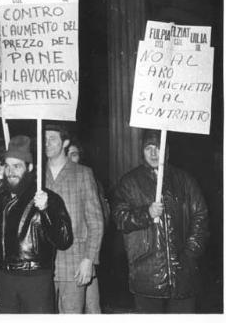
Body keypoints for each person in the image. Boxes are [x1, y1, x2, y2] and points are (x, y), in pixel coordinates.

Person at [112, 129, 209, 313]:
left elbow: (201, 216)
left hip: (182, 276)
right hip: (146, 276)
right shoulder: (129, 182)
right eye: (149, 148)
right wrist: (146, 213)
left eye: (159, 147)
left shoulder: (184, 180)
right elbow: (120, 218)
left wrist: (190, 254)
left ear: (167, 150)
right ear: (142, 151)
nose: (154, 153)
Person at [0, 135, 73, 313]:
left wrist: (46, 210)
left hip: (37, 279)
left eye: (17, 166)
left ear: (30, 167)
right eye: (7, 166)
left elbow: (64, 240)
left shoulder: (49, 199)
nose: (10, 172)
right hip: (6, 279)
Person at [44, 124, 104, 314]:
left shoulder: (82, 173)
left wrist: (89, 259)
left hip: (74, 262)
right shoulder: (36, 175)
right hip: (42, 265)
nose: (47, 143)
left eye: (52, 138)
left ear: (65, 142)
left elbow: (95, 222)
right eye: (44, 139)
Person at [66, 137, 110, 314]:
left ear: (80, 158)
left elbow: (102, 219)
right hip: (65, 257)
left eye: (74, 155)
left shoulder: (88, 180)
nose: (69, 159)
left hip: (85, 251)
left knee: (92, 306)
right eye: (66, 154)